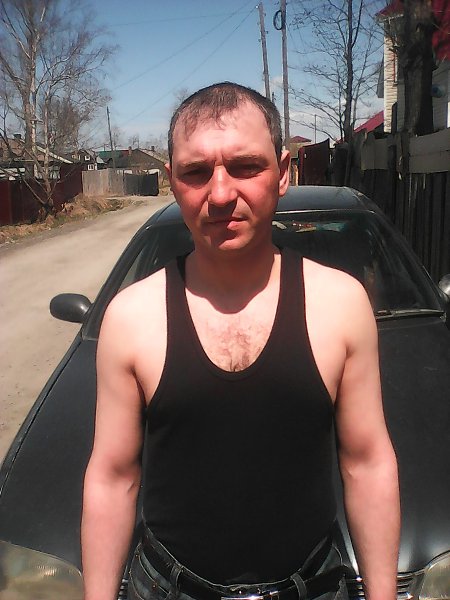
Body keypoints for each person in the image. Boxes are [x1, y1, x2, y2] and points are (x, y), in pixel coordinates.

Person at [81, 82, 400, 600]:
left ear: (283, 173)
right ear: (172, 181)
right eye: (196, 172)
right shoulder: (130, 317)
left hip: (313, 586)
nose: (221, 193)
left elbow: (368, 463)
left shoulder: (341, 303)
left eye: (246, 166)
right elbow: (111, 478)